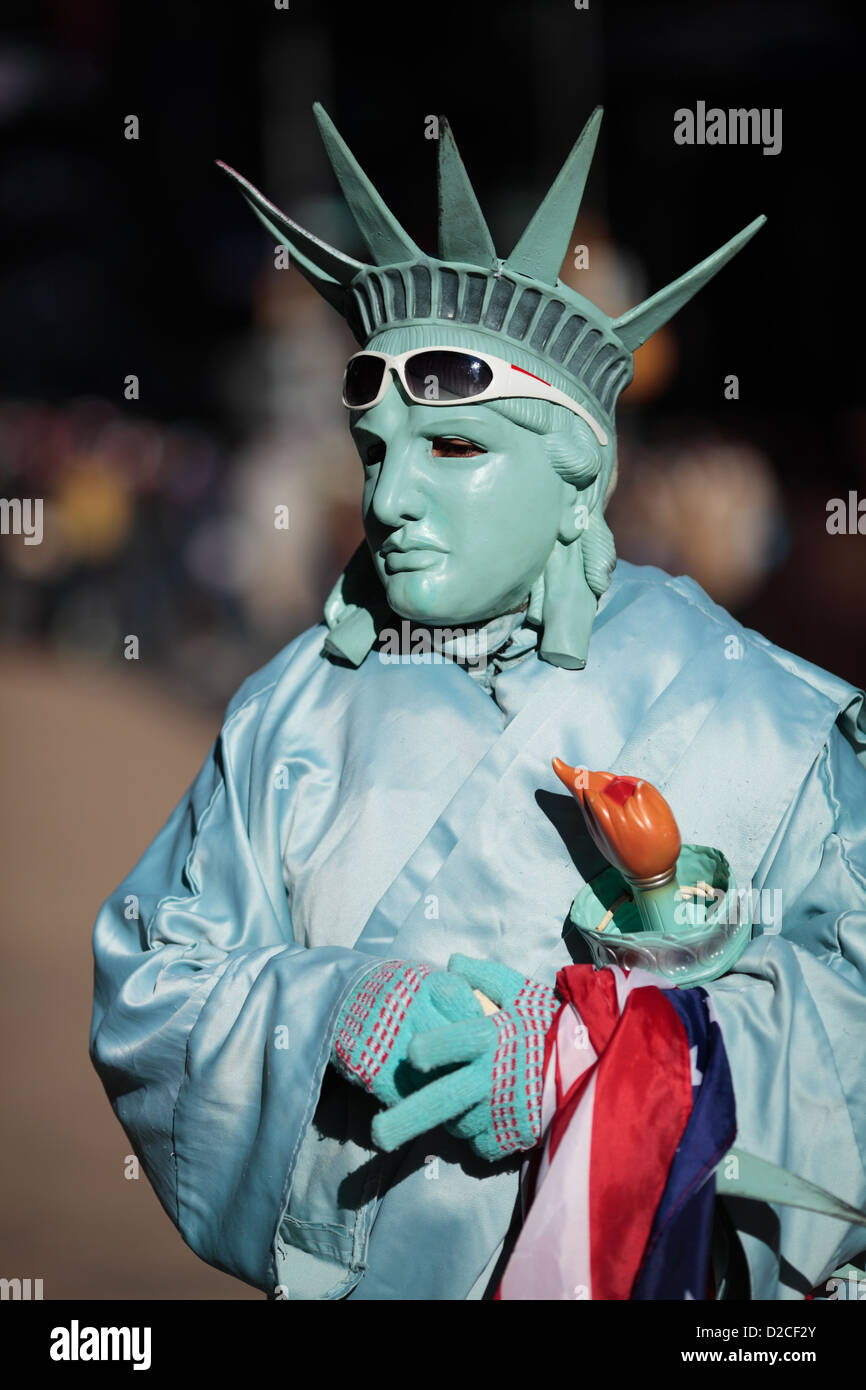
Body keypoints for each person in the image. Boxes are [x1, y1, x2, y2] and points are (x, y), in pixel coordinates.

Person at [90, 105, 866, 1300]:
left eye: (453, 450)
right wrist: (333, 1010)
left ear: (576, 484)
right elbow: (151, 984)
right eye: (375, 448)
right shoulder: (287, 713)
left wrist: (589, 1062)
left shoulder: (767, 720)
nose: (390, 497)